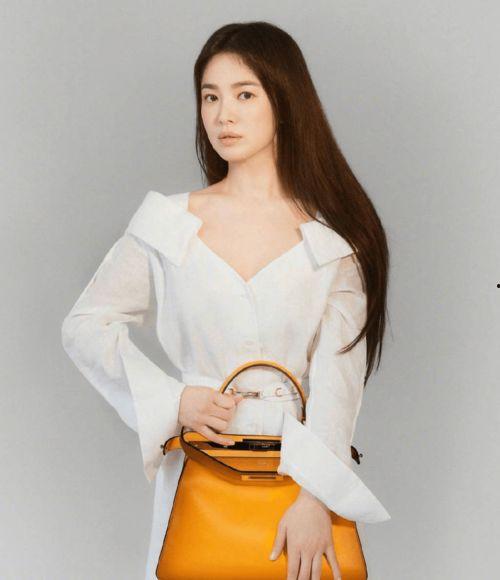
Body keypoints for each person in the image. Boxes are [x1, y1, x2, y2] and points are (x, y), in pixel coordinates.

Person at [61, 21, 391, 580]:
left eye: (245, 95)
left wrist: (317, 499)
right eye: (210, 97)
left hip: (302, 476)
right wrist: (175, 400)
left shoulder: (331, 241)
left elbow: (339, 386)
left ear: (285, 103)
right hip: (202, 468)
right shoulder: (169, 223)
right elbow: (86, 325)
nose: (223, 115)